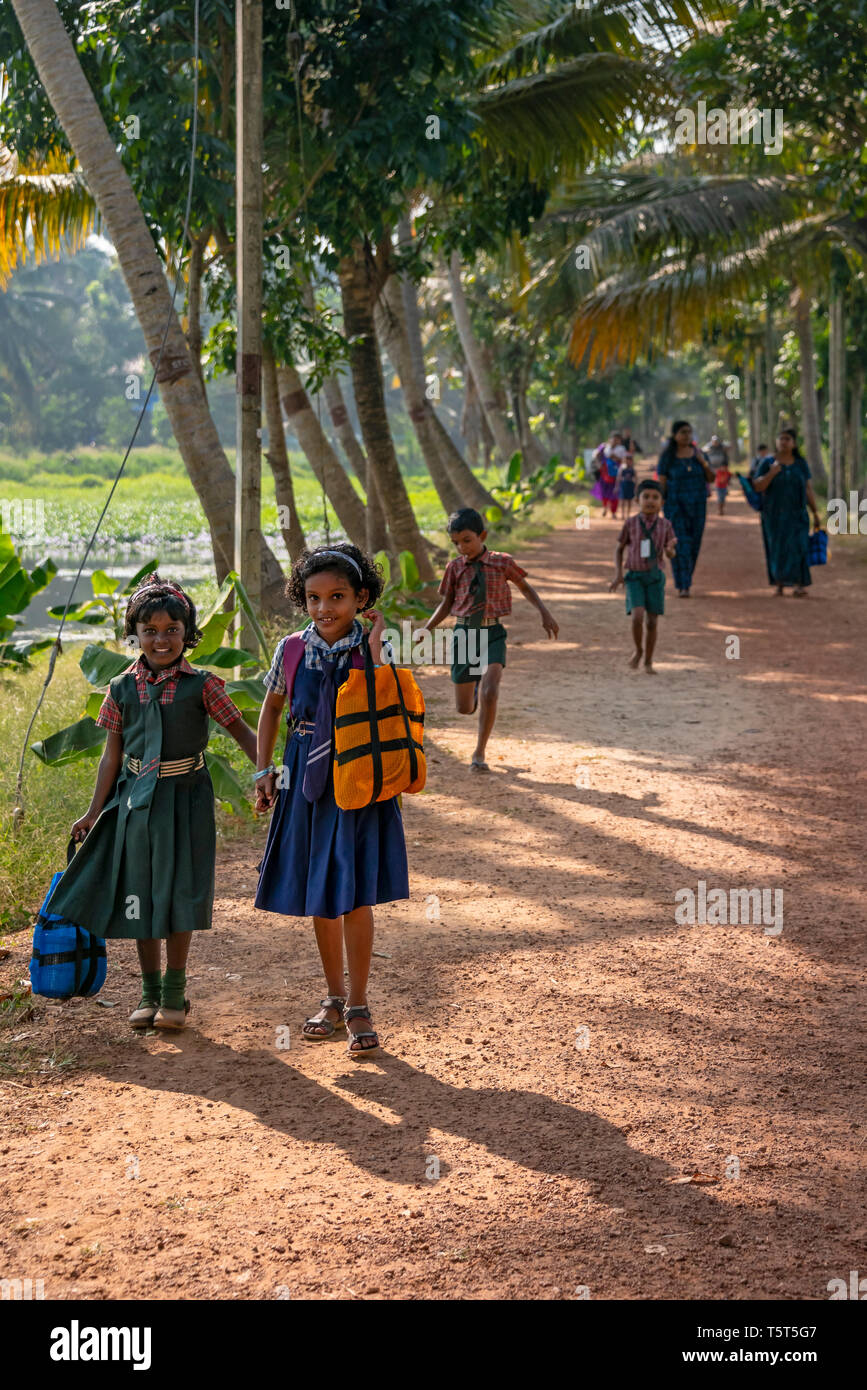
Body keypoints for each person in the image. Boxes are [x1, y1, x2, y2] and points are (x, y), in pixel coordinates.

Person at [45, 575, 257, 1030]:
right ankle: (149, 992)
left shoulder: (204, 685)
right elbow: (111, 755)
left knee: (181, 893)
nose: (161, 640)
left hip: (187, 801)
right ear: (135, 634)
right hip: (133, 806)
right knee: (138, 896)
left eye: (172, 630)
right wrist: (92, 811)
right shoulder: (120, 687)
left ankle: (176, 996)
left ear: (187, 633)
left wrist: (267, 774)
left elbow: (242, 732)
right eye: (150, 631)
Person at [254, 544, 404, 1057]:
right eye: (314, 598)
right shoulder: (291, 649)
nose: (326, 609)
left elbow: (390, 705)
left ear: (361, 597)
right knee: (321, 891)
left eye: (338, 596)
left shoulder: (374, 648)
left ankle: (360, 1003)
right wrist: (264, 770)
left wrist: (378, 647)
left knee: (356, 893)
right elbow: (272, 709)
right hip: (305, 780)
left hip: (360, 777)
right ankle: (334, 997)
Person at [423, 507, 559, 772]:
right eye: (456, 543)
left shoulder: (502, 562)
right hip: (464, 635)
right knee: (464, 708)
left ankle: (479, 752)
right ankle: (473, 686)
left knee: (491, 691)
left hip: (493, 633)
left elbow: (525, 587)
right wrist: (426, 628)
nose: (462, 548)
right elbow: (447, 602)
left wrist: (544, 612)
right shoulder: (454, 568)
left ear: (482, 535)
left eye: (467, 540)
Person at [610, 479, 677, 674]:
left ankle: (648, 660)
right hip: (634, 577)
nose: (650, 501)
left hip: (655, 577)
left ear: (662, 502)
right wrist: (618, 574)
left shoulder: (666, 525)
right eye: (645, 496)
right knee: (637, 616)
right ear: (636, 500)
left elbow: (671, 552)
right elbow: (619, 548)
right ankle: (638, 650)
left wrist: (671, 550)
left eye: (655, 497)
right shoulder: (630, 524)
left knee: (652, 621)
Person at [752, 428, 822, 596]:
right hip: (773, 515)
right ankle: (780, 583)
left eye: (787, 439)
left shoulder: (800, 464)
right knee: (777, 547)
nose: (784, 442)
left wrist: (815, 512)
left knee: (799, 546)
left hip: (797, 513)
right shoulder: (767, 463)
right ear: (776, 442)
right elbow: (757, 486)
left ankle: (799, 584)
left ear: (794, 443)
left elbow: (807, 489)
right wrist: (772, 473)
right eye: (781, 438)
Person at [656, 419, 714, 597]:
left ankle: (686, 578)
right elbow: (662, 481)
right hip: (675, 506)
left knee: (694, 544)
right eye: (682, 432)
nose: (686, 436)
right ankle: (683, 585)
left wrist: (703, 462)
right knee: (680, 544)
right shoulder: (668, 456)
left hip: (697, 505)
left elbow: (711, 478)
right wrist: (660, 503)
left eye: (689, 432)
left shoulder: (700, 454)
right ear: (674, 435)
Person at [617, 453, 637, 521]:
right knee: (622, 501)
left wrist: (636, 487)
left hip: (630, 485)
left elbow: (635, 478)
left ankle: (628, 515)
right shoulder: (622, 468)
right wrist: (616, 486)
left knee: (629, 501)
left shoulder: (632, 469)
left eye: (629, 460)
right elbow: (619, 477)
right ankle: (622, 514)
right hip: (623, 485)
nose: (628, 461)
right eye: (627, 460)